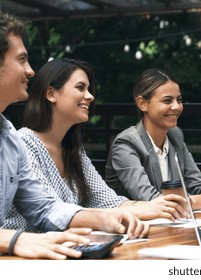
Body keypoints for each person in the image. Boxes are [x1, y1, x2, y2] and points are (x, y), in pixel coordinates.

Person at [0, 12, 147, 259]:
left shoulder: (10, 139)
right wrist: (16, 240)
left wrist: (107, 219)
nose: (31, 71)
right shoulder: (25, 141)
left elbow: (44, 207)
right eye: (22, 60)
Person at [3, 58, 189, 233]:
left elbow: (108, 201)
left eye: (89, 89)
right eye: (80, 88)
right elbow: (54, 211)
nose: (90, 96)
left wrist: (153, 206)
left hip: (65, 251)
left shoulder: (73, 150)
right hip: (22, 257)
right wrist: (141, 210)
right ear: (51, 94)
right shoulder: (24, 143)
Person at [105, 68, 201, 210]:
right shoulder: (126, 143)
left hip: (172, 222)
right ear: (142, 103)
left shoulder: (175, 135)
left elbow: (198, 185)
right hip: (133, 227)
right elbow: (150, 199)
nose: (176, 107)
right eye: (167, 100)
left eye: (179, 100)